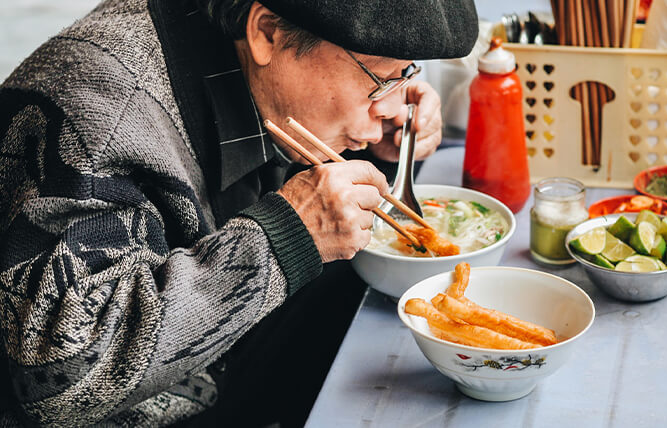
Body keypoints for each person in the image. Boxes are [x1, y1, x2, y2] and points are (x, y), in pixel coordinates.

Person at [0, 0, 478, 426]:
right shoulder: (102, 117)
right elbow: (58, 377)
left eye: (408, 73)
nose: (395, 107)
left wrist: (373, 153)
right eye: (380, 77)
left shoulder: (249, 56)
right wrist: (283, 238)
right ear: (266, 31)